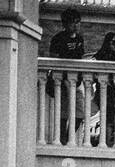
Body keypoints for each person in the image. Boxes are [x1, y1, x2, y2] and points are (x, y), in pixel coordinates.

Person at [47, 8, 86, 144]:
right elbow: (53, 60)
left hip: (76, 81)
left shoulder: (80, 39)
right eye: (72, 23)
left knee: (80, 112)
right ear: (65, 24)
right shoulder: (58, 39)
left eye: (78, 22)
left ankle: (68, 137)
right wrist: (62, 78)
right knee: (63, 113)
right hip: (62, 82)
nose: (76, 25)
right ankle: (62, 139)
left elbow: (80, 58)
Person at [94, 31, 115, 146]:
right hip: (105, 92)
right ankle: (106, 143)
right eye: (113, 43)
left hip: (113, 94)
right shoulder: (101, 56)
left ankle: (110, 142)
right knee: (109, 120)